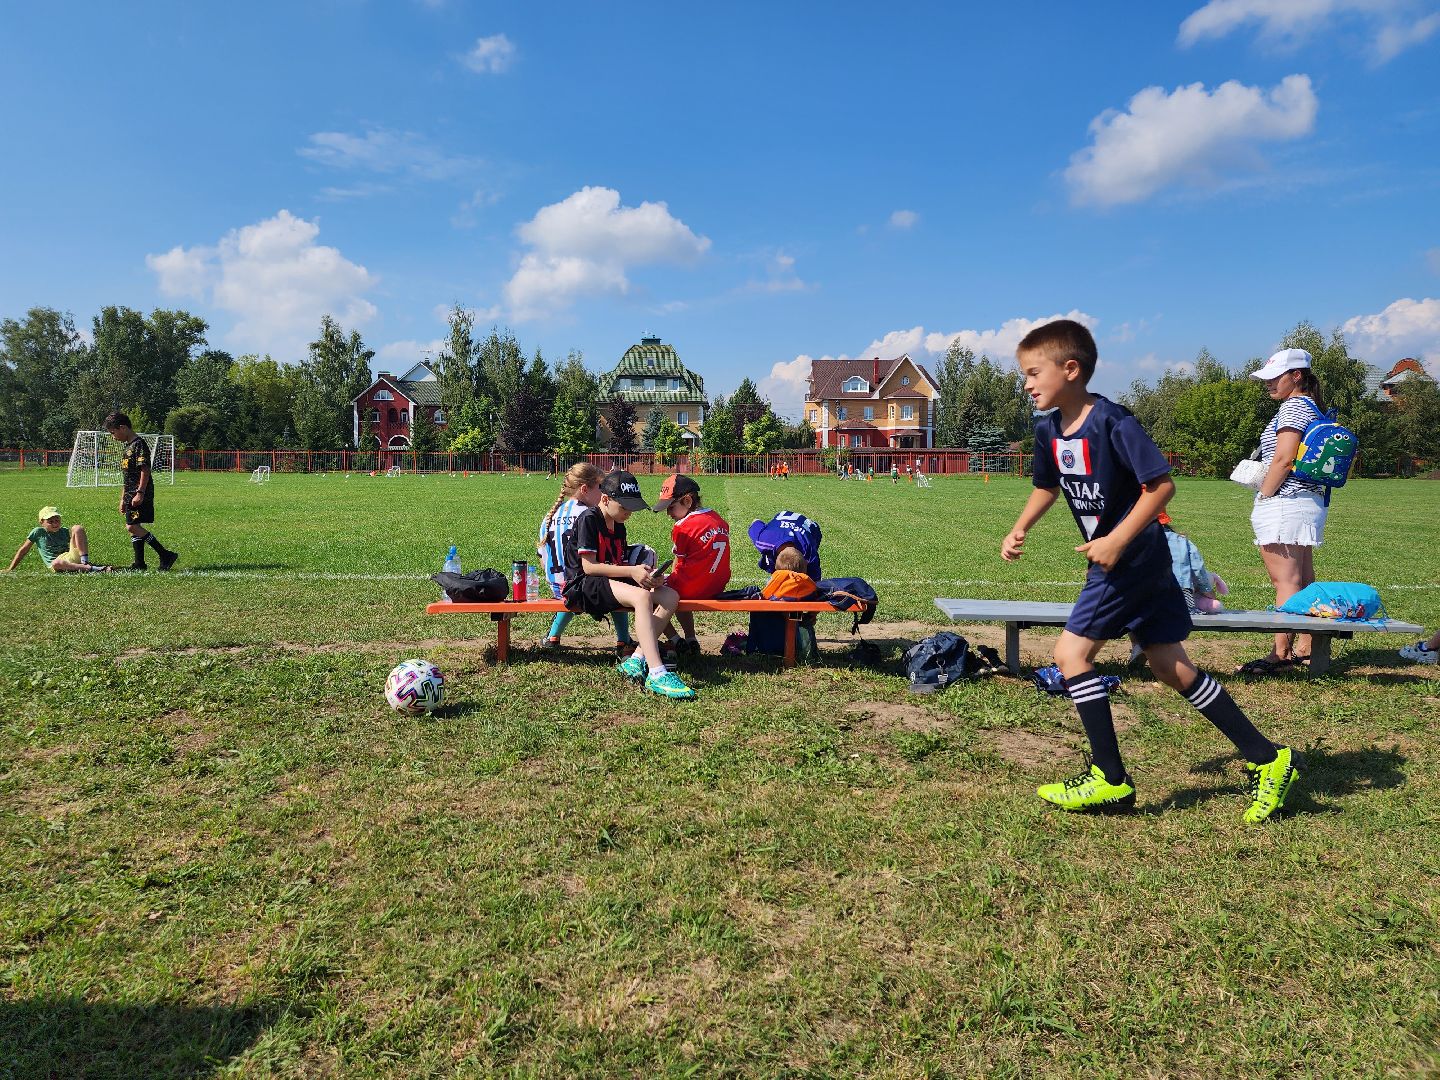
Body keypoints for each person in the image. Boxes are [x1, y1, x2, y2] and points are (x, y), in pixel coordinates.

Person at [1001, 319, 1298, 823]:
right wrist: (1020, 526)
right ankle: (1269, 759)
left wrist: (1116, 540)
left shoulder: (1114, 422)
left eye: (1033, 372)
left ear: (1070, 369)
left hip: (1131, 559)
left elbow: (1161, 487)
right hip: (1140, 561)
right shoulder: (1047, 429)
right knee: (1169, 667)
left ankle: (1109, 779)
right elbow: (1047, 486)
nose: (1027, 384)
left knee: (1070, 654)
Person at [562, 471, 696, 700]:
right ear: (605, 499)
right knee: (642, 597)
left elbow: (616, 565)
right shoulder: (589, 519)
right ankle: (657, 672)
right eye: (625, 507)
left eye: (632, 508)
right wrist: (631, 571)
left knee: (669, 596)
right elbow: (589, 567)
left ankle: (636, 659)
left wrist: (647, 577)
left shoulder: (618, 524)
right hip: (583, 585)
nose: (629, 513)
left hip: (607, 581)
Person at [1237, 348, 1329, 675]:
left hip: (1285, 503)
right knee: (1303, 579)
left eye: (1275, 377)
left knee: (1285, 581)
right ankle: (1306, 645)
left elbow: (1284, 459)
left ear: (1296, 375)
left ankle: (1281, 655)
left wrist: (1264, 494)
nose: (1269, 383)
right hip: (1307, 502)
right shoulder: (1313, 407)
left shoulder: (1292, 407)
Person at [536, 462, 634, 655]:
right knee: (615, 578)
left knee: (585, 579)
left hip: (556, 585)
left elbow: (542, 556)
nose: (604, 491)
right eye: (600, 487)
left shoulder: (550, 515)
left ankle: (553, 636)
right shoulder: (589, 515)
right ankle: (624, 639)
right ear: (584, 489)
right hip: (577, 586)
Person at [653, 473, 731, 655]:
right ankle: (691, 638)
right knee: (677, 585)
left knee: (647, 594)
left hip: (692, 588)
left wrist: (666, 580)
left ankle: (675, 640)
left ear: (687, 501)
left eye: (671, 507)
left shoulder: (683, 527)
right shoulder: (718, 519)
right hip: (716, 586)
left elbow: (678, 563)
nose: (668, 514)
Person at [104, 412, 178, 571]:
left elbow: (145, 470)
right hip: (130, 494)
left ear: (123, 428)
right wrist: (123, 498)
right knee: (134, 525)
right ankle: (139, 563)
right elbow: (128, 476)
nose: (113, 437)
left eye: (113, 432)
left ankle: (165, 554)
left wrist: (140, 493)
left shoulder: (139, 445)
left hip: (138, 493)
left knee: (132, 527)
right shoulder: (128, 447)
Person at [5, 506, 111, 573]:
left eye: (57, 520)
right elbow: (23, 550)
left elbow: (78, 543)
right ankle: (92, 569)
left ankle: (85, 562)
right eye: (50, 521)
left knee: (77, 528)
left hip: (69, 556)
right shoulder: (38, 532)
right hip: (58, 564)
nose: (55, 524)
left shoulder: (63, 531)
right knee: (56, 563)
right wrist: (11, 568)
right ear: (41, 522)